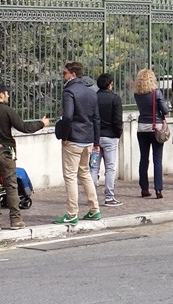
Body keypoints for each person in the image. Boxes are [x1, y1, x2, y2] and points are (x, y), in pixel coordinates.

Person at [0, 83, 49, 231]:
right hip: (6, 151)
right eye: (6, 93)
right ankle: (16, 220)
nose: (8, 95)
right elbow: (25, 128)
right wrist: (42, 123)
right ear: (0, 94)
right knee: (11, 186)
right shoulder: (8, 111)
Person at [54, 61, 102, 225]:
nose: (63, 76)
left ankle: (72, 213)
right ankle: (94, 209)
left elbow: (67, 116)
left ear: (72, 74)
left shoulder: (69, 91)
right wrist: (96, 141)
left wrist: (63, 135)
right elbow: (96, 118)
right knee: (85, 174)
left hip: (73, 138)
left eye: (64, 73)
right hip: (88, 138)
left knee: (70, 176)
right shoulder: (91, 92)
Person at [135, 68, 168, 199]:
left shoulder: (137, 94)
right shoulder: (156, 92)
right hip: (156, 128)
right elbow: (165, 110)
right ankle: (158, 189)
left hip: (142, 127)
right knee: (157, 159)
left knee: (144, 159)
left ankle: (144, 188)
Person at [95, 73, 123, 206]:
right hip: (110, 136)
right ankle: (109, 197)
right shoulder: (115, 99)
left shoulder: (94, 97)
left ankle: (92, 196)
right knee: (110, 168)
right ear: (110, 84)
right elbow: (117, 120)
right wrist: (118, 133)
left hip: (95, 137)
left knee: (93, 167)